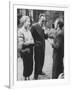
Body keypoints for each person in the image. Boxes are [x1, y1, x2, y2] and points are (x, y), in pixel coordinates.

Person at [31, 14, 48, 79]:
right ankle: (35, 75)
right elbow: (31, 36)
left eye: (44, 21)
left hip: (43, 46)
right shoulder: (34, 26)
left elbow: (46, 37)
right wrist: (35, 43)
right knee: (37, 60)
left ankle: (40, 71)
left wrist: (45, 31)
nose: (43, 22)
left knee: (42, 59)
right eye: (42, 20)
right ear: (39, 19)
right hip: (37, 47)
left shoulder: (43, 27)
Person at [17, 16, 34, 80]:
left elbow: (33, 41)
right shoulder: (20, 31)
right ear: (24, 22)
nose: (29, 23)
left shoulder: (28, 31)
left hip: (30, 51)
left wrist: (28, 42)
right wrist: (29, 42)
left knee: (30, 66)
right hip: (25, 51)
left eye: (29, 22)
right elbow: (21, 44)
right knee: (26, 66)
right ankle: (25, 79)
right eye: (28, 22)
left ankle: (28, 77)